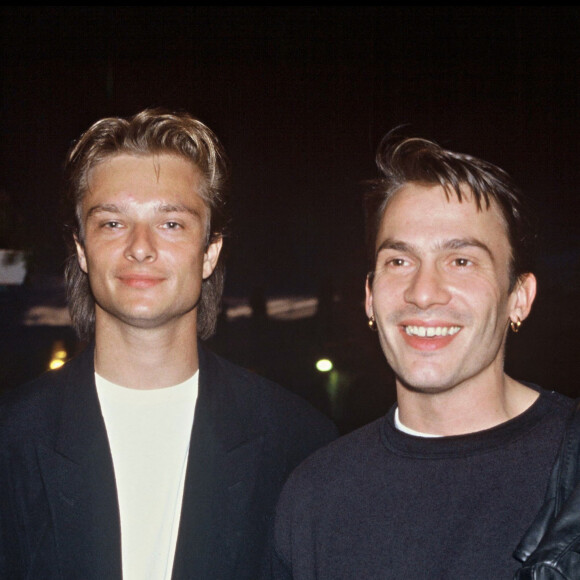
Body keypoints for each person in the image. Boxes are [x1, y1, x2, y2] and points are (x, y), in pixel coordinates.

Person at [0, 108, 338, 580]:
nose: (140, 246)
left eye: (171, 224)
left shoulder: (300, 446)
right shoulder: (11, 441)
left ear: (209, 252)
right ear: (81, 250)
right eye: (112, 223)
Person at [270, 133, 575, 578]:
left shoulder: (571, 470)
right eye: (399, 261)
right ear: (371, 297)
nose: (424, 292)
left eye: (461, 261)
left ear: (519, 298)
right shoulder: (314, 495)